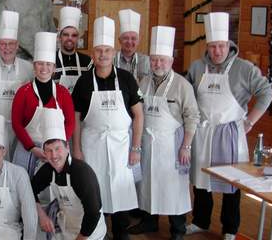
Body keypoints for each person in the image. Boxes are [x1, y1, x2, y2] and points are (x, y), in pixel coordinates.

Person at [186, 12, 272, 240]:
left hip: (230, 134)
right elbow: (186, 94)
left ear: (229, 44)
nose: (217, 51)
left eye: (221, 46)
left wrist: (250, 121)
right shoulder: (197, 67)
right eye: (213, 46)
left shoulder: (244, 69)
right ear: (207, 46)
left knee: (231, 184)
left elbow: (266, 93)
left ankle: (230, 229)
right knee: (201, 181)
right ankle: (200, 221)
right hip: (203, 132)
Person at [71, 16, 144, 240]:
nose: (103, 55)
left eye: (107, 50)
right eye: (99, 50)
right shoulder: (83, 82)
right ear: (93, 54)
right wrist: (77, 149)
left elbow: (139, 115)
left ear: (114, 53)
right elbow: (76, 118)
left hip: (122, 146)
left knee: (120, 191)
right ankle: (98, 233)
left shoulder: (127, 78)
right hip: (92, 146)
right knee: (95, 192)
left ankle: (121, 233)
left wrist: (136, 148)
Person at [127, 26, 200, 240]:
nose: (157, 64)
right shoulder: (145, 81)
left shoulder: (182, 85)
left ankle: (178, 229)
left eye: (162, 60)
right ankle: (149, 222)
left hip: (173, 145)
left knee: (173, 189)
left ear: (171, 61)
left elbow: (192, 116)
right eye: (154, 59)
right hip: (148, 143)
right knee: (148, 185)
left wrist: (186, 146)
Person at [31, 109, 106, 240]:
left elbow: (93, 213)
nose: (54, 156)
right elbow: (30, 190)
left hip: (90, 234)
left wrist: (81, 238)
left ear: (67, 148)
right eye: (48, 150)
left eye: (57, 148)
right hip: (66, 230)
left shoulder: (81, 173)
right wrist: (42, 215)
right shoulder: (48, 170)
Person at [11, 32, 75, 177]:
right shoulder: (23, 92)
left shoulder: (63, 92)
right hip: (27, 149)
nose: (44, 68)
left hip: (56, 152)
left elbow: (70, 122)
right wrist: (32, 148)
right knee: (25, 188)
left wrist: (59, 147)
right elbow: (16, 123)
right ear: (34, 66)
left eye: (48, 64)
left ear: (53, 68)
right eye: (40, 63)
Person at [0, 10, 33, 160]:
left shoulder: (29, 69)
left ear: (17, 45)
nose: (7, 48)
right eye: (3, 44)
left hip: (21, 130)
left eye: (11, 44)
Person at [52, 6, 93, 93]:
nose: (70, 38)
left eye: (74, 35)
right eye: (66, 35)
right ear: (59, 37)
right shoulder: (51, 60)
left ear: (78, 38)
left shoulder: (87, 62)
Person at [115, 9, 150, 83]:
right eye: (125, 38)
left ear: (138, 41)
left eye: (133, 38)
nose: (129, 42)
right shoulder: (111, 60)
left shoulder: (146, 61)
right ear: (119, 40)